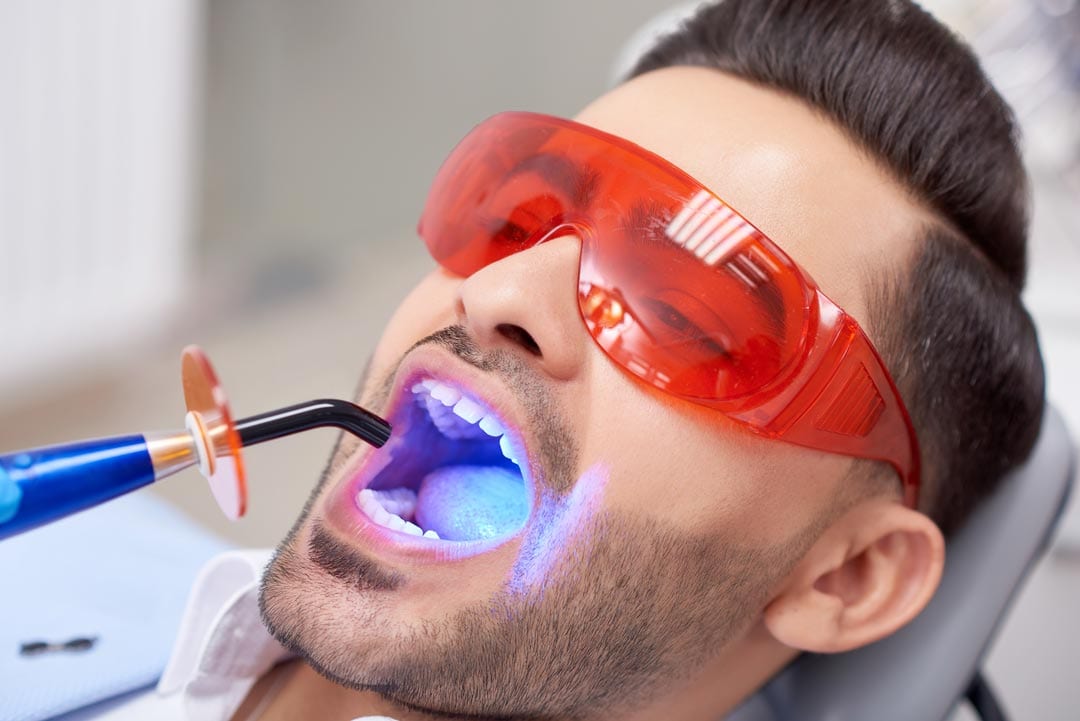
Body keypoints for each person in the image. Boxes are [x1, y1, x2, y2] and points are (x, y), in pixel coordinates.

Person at [35, 1, 1045, 719]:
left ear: (849, 575)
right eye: (520, 219)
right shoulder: (42, 564)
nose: (500, 294)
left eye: (688, 313)